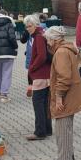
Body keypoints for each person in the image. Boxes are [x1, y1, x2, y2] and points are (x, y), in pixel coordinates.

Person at [44, 26, 81, 160]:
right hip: (71, 93)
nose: (47, 42)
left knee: (62, 128)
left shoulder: (61, 52)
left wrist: (59, 97)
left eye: (48, 39)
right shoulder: (66, 48)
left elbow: (64, 77)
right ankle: (66, 156)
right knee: (65, 128)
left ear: (54, 39)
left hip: (66, 95)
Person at [24, 13, 52, 141]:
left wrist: (32, 67)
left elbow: (42, 56)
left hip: (41, 75)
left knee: (38, 103)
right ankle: (47, 129)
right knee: (45, 103)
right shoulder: (42, 34)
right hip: (46, 74)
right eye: (26, 26)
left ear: (35, 25)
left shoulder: (39, 37)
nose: (27, 29)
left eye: (29, 26)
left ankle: (40, 132)